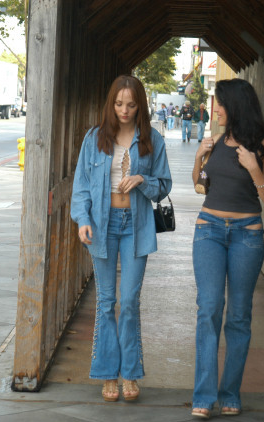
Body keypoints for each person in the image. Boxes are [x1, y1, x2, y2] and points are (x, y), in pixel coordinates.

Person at [71, 75, 172, 403]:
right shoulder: (94, 138)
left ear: (140, 105)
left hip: (136, 225)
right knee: (106, 302)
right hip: (102, 224)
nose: (124, 110)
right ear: (110, 105)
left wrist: (142, 179)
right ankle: (107, 374)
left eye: (130, 104)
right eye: (118, 104)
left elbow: (164, 185)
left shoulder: (152, 140)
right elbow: (82, 185)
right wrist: (82, 220)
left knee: (129, 302)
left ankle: (130, 372)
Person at [190, 78, 264, 419]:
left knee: (239, 316)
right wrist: (200, 158)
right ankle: (203, 395)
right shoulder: (217, 142)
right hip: (209, 231)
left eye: (220, 103)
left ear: (237, 106)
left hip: (247, 234)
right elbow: (201, 188)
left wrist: (254, 167)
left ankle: (230, 393)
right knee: (209, 308)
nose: (216, 109)